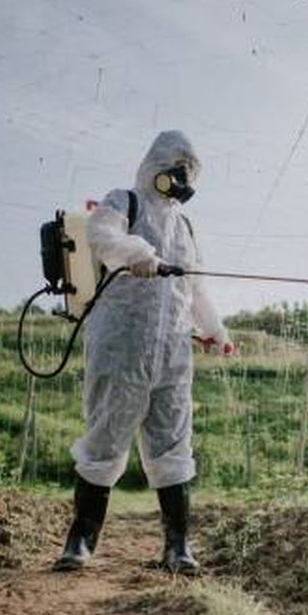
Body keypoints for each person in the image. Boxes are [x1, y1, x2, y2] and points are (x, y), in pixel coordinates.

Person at [54, 130, 232, 574]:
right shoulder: (124, 201)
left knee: (174, 443)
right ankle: (80, 541)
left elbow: (197, 288)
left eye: (187, 175)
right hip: (121, 346)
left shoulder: (186, 228)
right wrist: (137, 251)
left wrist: (215, 330)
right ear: (157, 166)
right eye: (175, 170)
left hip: (173, 351)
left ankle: (178, 547)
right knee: (105, 439)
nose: (179, 180)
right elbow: (101, 233)